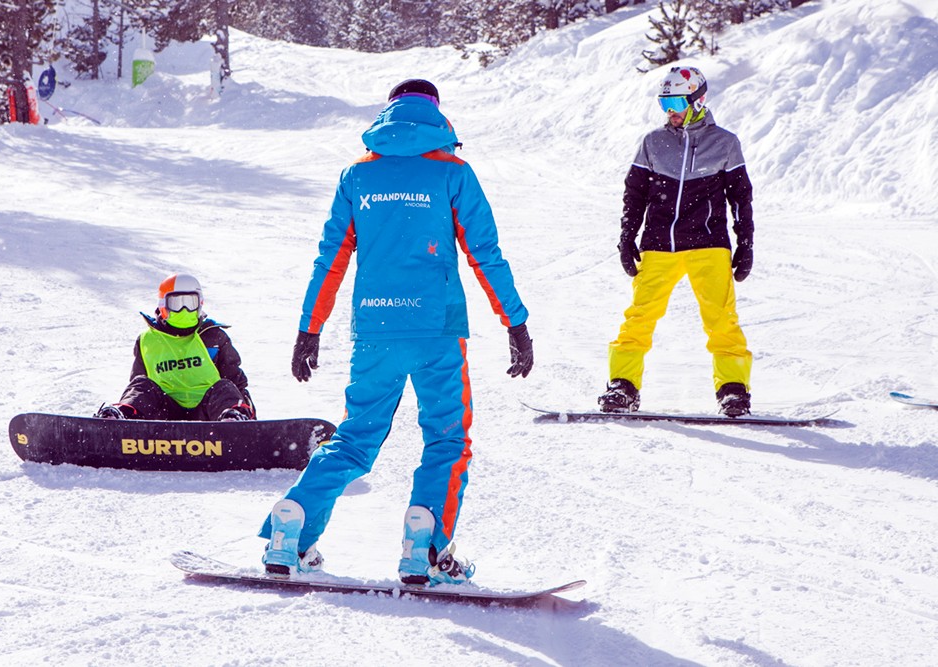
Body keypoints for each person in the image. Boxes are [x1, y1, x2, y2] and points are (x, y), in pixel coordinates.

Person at [259, 78, 533, 585]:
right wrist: (515, 322)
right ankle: (424, 546)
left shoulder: (357, 175)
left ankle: (291, 527)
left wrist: (309, 328)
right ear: (435, 114)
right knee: (447, 439)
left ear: (388, 113)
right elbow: (485, 254)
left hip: (375, 329)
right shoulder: (453, 173)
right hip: (436, 330)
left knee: (355, 438)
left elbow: (331, 258)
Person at [599, 66, 754, 417]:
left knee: (722, 320)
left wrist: (746, 243)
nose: (670, 110)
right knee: (639, 317)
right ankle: (623, 385)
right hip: (659, 244)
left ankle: (733, 389)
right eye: (664, 102)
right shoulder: (653, 142)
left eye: (676, 101)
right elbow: (634, 193)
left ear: (698, 100)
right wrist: (627, 236)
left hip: (709, 244)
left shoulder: (725, 143)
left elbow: (741, 197)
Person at [94, 273, 255, 422]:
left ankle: (232, 422)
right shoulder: (147, 340)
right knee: (143, 385)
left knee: (224, 386)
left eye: (190, 303)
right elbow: (137, 385)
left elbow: (235, 382)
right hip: (163, 415)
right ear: (163, 305)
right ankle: (120, 420)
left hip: (208, 416)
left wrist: (243, 411)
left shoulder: (212, 336)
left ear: (200, 304)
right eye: (177, 303)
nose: (184, 310)